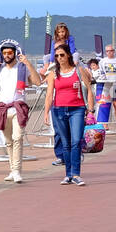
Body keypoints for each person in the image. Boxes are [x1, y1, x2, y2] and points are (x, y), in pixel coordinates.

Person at [0, 39, 40, 183]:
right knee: (8, 142)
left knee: (18, 138)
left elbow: (37, 82)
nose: (6, 55)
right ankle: (12, 170)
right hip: (3, 109)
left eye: (10, 52)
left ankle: (17, 171)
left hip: (18, 107)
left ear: (15, 53)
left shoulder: (22, 68)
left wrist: (28, 64)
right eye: (4, 52)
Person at [41, 43, 93, 186]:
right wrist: (46, 112)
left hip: (77, 109)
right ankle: (68, 174)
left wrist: (91, 109)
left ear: (68, 55)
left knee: (75, 141)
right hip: (58, 110)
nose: (59, 58)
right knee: (65, 143)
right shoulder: (53, 73)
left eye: (62, 55)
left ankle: (76, 174)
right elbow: (49, 94)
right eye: (57, 56)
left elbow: (89, 89)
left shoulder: (78, 71)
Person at [97, 44, 116, 131]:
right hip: (106, 84)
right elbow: (101, 72)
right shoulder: (102, 61)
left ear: (114, 51)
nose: (109, 52)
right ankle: (105, 124)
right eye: (107, 51)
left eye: (111, 51)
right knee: (105, 104)